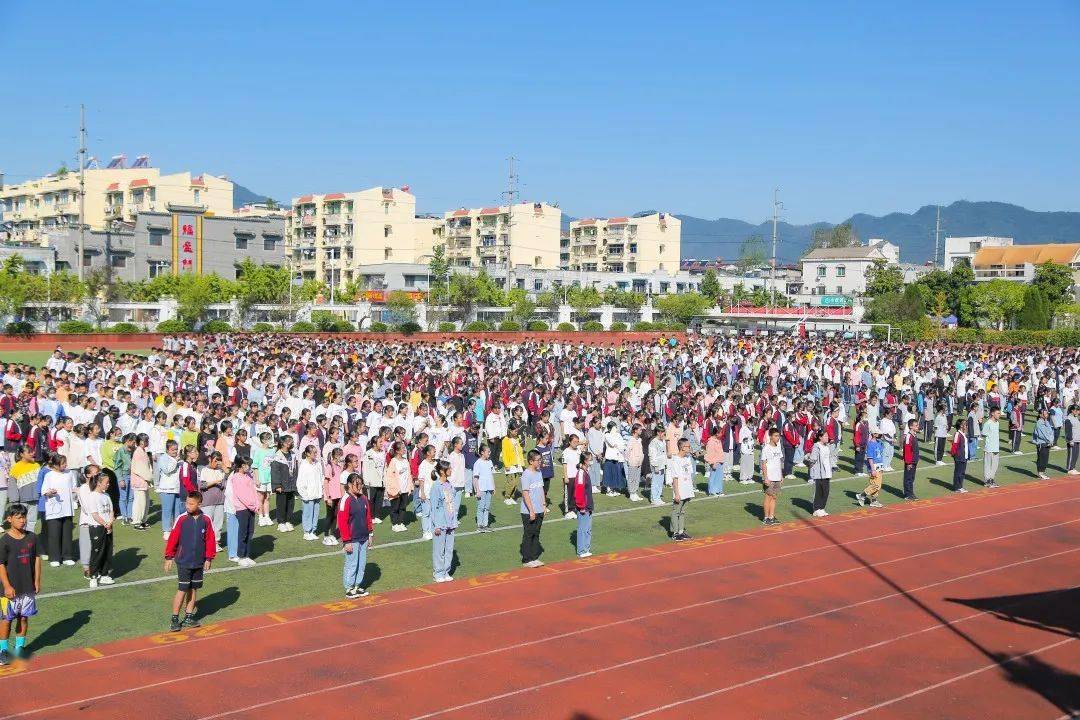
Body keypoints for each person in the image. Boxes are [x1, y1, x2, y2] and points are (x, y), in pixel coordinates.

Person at [164, 491, 216, 632]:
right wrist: (169, 556)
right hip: (184, 561)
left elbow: (210, 540)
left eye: (191, 504)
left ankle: (188, 617)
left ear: (199, 504)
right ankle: (174, 618)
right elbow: (173, 538)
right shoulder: (181, 519)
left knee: (193, 589)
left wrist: (208, 557)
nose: (188, 506)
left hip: (198, 562)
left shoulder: (206, 520)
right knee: (182, 589)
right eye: (187, 503)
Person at [0, 504, 41, 666]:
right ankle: (3, 650)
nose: (23, 521)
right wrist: (7, 586)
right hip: (9, 590)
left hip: (27, 587)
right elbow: (1, 565)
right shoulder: (4, 541)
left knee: (23, 618)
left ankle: (19, 649)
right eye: (19, 518)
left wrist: (37, 581)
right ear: (9, 519)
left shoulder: (32, 537)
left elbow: (37, 558)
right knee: (6, 620)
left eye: (24, 517)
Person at [337, 473, 373, 598]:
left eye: (360, 484)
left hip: (363, 537)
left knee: (362, 563)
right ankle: (349, 587)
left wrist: (370, 534)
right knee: (352, 563)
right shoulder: (345, 500)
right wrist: (346, 541)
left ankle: (357, 586)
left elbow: (368, 517)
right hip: (352, 539)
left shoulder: (363, 499)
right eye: (357, 484)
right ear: (349, 485)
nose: (359, 486)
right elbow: (342, 522)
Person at [40, 453, 76, 566]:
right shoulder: (49, 475)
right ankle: (54, 558)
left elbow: (74, 487)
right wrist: (49, 492)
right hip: (53, 509)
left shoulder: (69, 473)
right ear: (55, 465)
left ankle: (67, 556)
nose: (65, 465)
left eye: (65, 462)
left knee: (67, 533)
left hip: (67, 509)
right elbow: (44, 490)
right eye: (63, 463)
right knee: (54, 534)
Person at [430, 460, 457, 582]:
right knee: (439, 550)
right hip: (440, 523)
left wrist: (454, 520)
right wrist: (436, 525)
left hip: (450, 522)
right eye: (449, 468)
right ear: (442, 471)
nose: (451, 470)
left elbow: (451, 503)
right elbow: (434, 507)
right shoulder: (436, 486)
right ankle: (438, 573)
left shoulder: (449, 484)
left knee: (449, 549)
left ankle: (446, 571)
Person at [86, 473, 115, 588]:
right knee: (97, 552)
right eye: (106, 483)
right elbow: (94, 514)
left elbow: (111, 511)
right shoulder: (92, 496)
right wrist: (105, 524)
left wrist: (110, 523)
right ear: (98, 483)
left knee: (108, 551)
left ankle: (104, 575)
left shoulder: (106, 495)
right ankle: (93, 576)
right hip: (97, 527)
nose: (108, 485)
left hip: (108, 527)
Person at [229, 458, 259, 567]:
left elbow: (253, 491)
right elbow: (241, 495)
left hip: (251, 508)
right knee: (243, 532)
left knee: (250, 531)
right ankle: (241, 556)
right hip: (242, 509)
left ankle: (247, 555)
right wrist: (252, 506)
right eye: (247, 465)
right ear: (241, 465)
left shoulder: (248, 476)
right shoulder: (236, 477)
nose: (249, 467)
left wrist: (256, 504)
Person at [519, 449, 546, 568]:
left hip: (539, 509)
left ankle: (534, 557)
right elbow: (525, 494)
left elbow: (541, 490)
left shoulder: (539, 473)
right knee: (529, 534)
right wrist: (531, 510)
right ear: (531, 461)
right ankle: (527, 559)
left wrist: (544, 506)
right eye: (538, 460)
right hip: (529, 511)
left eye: (540, 459)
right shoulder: (526, 475)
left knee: (537, 533)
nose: (540, 462)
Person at [668, 438, 694, 541]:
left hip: (687, 490)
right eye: (688, 446)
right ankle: (675, 533)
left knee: (682, 512)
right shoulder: (675, 460)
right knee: (676, 511)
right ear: (682, 447)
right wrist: (677, 494)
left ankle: (681, 531)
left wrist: (690, 492)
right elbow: (675, 478)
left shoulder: (687, 458)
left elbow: (689, 474)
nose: (689, 448)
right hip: (680, 490)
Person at [155, 440, 182, 540]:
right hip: (166, 488)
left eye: (176, 449)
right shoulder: (163, 458)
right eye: (173, 449)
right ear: (167, 450)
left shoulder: (179, 459)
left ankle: (176, 529)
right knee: (167, 510)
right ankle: (166, 530)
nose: (175, 451)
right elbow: (167, 470)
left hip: (177, 488)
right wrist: (176, 460)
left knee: (177, 511)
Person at [297, 444, 324, 540]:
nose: (316, 454)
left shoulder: (318, 463)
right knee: (308, 513)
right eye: (314, 452)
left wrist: (322, 490)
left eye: (316, 452)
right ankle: (307, 532)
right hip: (308, 495)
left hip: (317, 493)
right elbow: (300, 481)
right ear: (308, 453)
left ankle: (313, 530)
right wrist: (304, 494)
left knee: (316, 513)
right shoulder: (304, 465)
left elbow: (321, 477)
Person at [571, 451, 594, 558]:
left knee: (588, 529)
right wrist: (581, 506)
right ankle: (581, 550)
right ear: (585, 461)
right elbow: (579, 491)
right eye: (590, 459)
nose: (591, 461)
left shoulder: (585, 471)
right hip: (583, 506)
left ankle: (586, 548)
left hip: (588, 505)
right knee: (582, 529)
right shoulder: (581, 473)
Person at [805, 429, 833, 517]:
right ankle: (816, 509)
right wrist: (808, 460)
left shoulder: (827, 446)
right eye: (825, 436)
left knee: (826, 491)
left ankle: (822, 508)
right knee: (819, 491)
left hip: (827, 472)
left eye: (827, 436)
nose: (827, 437)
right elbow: (813, 459)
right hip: (819, 473)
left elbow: (829, 458)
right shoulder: (816, 446)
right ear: (820, 437)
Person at [760, 427, 783, 525]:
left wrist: (781, 475)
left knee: (774, 497)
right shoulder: (766, 448)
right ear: (770, 436)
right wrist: (765, 477)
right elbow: (764, 463)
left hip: (777, 476)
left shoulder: (778, 446)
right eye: (776, 436)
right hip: (769, 477)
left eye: (778, 436)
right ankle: (766, 517)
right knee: (768, 496)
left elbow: (779, 461)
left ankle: (771, 516)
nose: (778, 438)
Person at [858, 430, 886, 508]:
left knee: (878, 485)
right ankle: (862, 495)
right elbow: (870, 458)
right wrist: (873, 469)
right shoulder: (870, 444)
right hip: (874, 467)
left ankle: (874, 501)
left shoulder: (879, 443)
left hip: (879, 466)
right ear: (874, 434)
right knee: (875, 485)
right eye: (878, 434)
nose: (880, 435)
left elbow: (880, 454)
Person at [472, 443, 495, 532]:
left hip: (489, 488)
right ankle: (480, 525)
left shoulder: (490, 462)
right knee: (481, 507)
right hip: (481, 489)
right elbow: (475, 478)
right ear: (482, 452)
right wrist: (477, 490)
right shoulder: (478, 463)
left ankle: (485, 525)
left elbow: (491, 475)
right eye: (488, 452)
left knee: (487, 507)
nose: (489, 453)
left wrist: (493, 486)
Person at [982, 407, 1002, 488]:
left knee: (995, 465)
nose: (999, 415)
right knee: (988, 465)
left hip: (996, 448)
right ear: (992, 413)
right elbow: (984, 433)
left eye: (999, 413)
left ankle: (992, 479)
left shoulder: (997, 423)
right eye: (998, 413)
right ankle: (987, 481)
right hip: (989, 448)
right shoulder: (988, 423)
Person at [1032, 408, 1055, 480]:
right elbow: (1042, 434)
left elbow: (1051, 432)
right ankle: (1040, 473)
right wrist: (1049, 440)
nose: (1046, 415)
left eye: (1046, 413)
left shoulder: (1047, 422)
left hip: (1047, 443)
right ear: (1040, 415)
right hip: (1041, 443)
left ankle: (1043, 472)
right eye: (1044, 413)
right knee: (1041, 458)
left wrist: (1051, 440)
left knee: (1045, 458)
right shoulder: (1039, 423)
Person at [648, 428, 668, 505]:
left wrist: (665, 463)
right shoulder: (653, 443)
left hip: (662, 464)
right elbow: (652, 455)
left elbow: (664, 453)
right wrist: (655, 465)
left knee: (660, 482)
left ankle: (658, 497)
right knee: (655, 482)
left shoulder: (662, 441)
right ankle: (654, 499)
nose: (664, 435)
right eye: (663, 433)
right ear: (658, 433)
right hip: (656, 465)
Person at [901, 418, 920, 500]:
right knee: (908, 478)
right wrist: (908, 463)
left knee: (912, 478)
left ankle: (911, 493)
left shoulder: (914, 435)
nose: (918, 426)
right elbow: (907, 450)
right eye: (916, 425)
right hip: (910, 461)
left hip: (914, 460)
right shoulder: (909, 436)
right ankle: (908, 494)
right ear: (911, 427)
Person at [949, 419, 970, 493]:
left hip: (964, 456)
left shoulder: (964, 434)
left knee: (962, 472)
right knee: (958, 472)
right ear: (961, 425)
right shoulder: (958, 434)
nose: (966, 426)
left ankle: (960, 486)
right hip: (959, 456)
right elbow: (955, 445)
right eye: (965, 424)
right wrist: (954, 454)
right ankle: (956, 487)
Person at [1065, 405, 1080, 475]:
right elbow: (1068, 430)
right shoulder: (1068, 419)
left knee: (1076, 454)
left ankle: (1073, 467)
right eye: (1077, 410)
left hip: (1077, 439)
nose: (1078, 412)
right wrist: (1070, 440)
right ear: (1072, 411)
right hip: (1072, 440)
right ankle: (1069, 469)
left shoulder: (1076, 418)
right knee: (1071, 455)